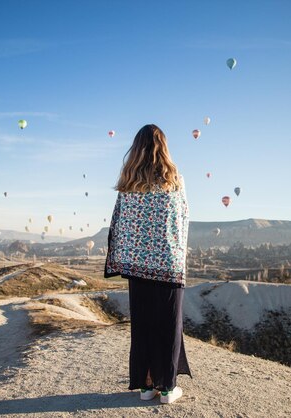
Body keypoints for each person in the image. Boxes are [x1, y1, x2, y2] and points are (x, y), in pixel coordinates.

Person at [104, 124, 191, 404]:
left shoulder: (128, 183)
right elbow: (183, 219)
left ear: (136, 148)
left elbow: (118, 222)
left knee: (144, 325)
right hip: (168, 265)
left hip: (137, 267)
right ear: (163, 146)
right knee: (169, 324)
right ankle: (167, 389)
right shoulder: (175, 179)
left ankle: (146, 386)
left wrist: (123, 257)